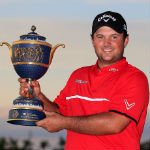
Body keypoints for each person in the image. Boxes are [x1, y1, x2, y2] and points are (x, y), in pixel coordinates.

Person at [19, 11, 149, 150]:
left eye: (114, 37)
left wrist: (64, 123)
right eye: (100, 37)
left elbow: (114, 124)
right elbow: (58, 113)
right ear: (92, 40)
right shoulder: (78, 75)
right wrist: (38, 96)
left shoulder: (135, 78)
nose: (107, 43)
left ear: (126, 40)